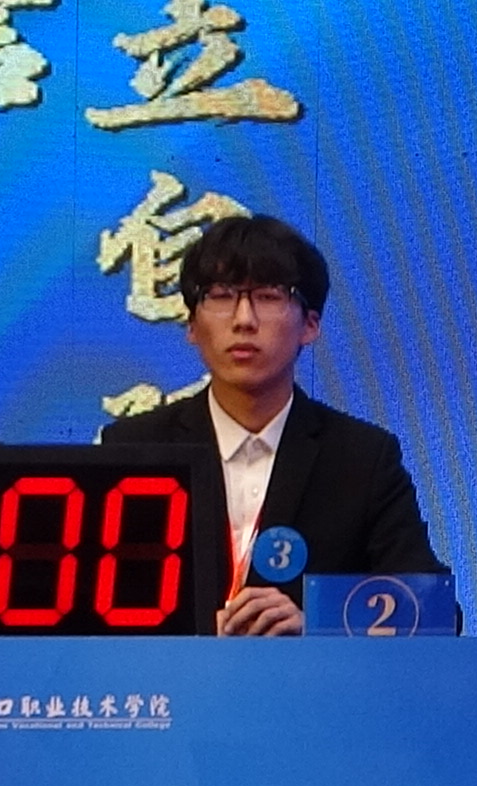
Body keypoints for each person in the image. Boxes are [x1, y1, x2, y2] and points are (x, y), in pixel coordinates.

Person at [97, 212, 440, 635]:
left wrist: (318, 627)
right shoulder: (137, 447)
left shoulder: (361, 457)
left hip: (305, 677)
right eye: (221, 296)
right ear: (191, 325)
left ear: (310, 325)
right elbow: (96, 609)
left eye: (268, 296)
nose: (243, 319)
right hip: (174, 677)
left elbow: (432, 611)